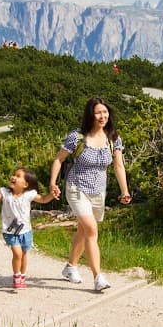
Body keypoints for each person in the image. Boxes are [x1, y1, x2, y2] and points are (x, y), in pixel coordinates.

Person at [48, 96, 131, 294]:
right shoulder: (77, 137)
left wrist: (124, 190)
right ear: (90, 115)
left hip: (98, 191)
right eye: (98, 113)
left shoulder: (113, 138)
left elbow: (118, 165)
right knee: (92, 230)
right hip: (76, 187)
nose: (102, 116)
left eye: (105, 112)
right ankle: (98, 277)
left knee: (84, 230)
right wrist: (52, 183)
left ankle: (70, 267)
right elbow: (58, 160)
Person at [0, 167, 54, 289]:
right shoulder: (5, 192)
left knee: (24, 254)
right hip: (10, 231)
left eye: (18, 176)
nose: (13, 177)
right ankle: (16, 275)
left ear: (26, 184)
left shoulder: (29, 195)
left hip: (26, 231)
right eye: (14, 175)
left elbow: (43, 199)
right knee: (17, 253)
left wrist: (52, 195)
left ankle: (22, 275)